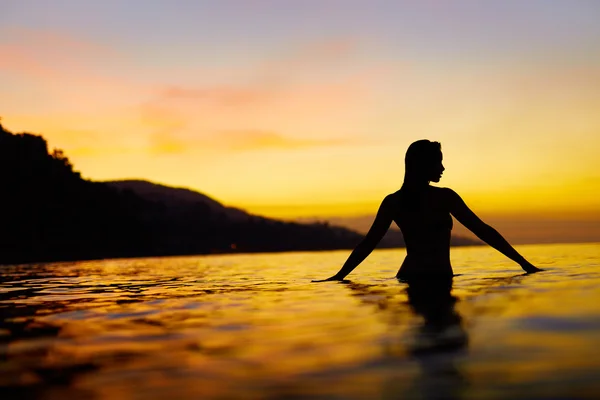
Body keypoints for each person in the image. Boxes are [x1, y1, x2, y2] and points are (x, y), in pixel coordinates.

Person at [314, 140, 541, 282]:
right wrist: (339, 277)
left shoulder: (436, 198)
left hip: (424, 279)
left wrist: (524, 263)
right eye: (438, 162)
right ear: (421, 165)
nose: (442, 168)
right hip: (420, 280)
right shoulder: (405, 201)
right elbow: (368, 244)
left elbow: (483, 231)